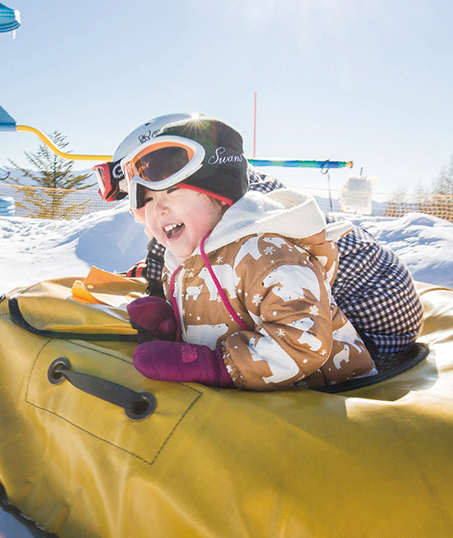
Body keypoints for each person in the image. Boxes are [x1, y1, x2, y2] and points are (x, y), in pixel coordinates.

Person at [94, 114, 424, 362]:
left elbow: (238, 278)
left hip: (377, 306)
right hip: (376, 286)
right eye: (137, 199)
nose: (149, 209)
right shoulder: (220, 200)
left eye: (159, 185)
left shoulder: (250, 215)